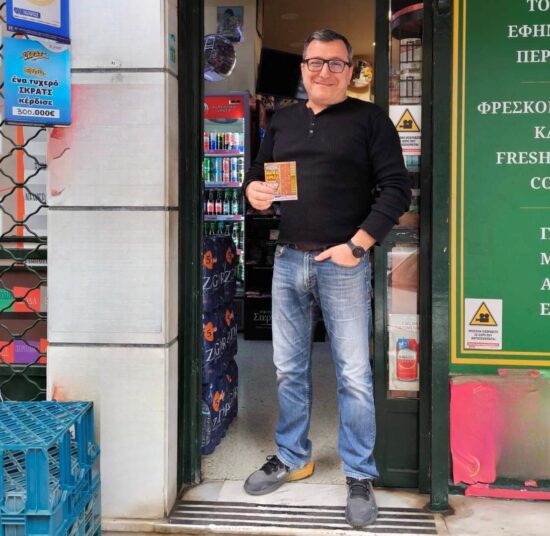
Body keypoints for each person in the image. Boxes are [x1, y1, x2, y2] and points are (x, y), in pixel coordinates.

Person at [241, 29, 411, 528]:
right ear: (303, 69)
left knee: (354, 373)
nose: (324, 71)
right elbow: (259, 173)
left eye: (336, 63)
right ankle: (293, 456)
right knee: (287, 368)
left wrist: (357, 245)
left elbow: (396, 190)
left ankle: (358, 473)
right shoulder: (283, 119)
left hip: (343, 263)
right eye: (315, 61)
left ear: (350, 70)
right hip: (288, 258)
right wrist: (254, 191)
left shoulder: (370, 120)